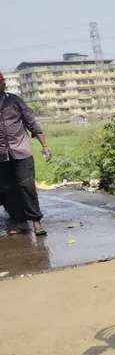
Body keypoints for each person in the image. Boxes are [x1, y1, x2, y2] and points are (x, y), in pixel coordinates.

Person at [0, 72, 50, 236]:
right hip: (1, 156)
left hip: (21, 151)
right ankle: (19, 220)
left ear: (4, 84)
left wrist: (45, 146)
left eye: (1, 83)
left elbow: (31, 123)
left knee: (27, 186)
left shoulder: (14, 101)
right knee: (8, 189)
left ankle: (36, 222)